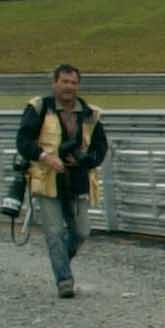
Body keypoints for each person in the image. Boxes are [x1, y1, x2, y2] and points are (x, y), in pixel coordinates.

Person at [15, 64, 108, 297]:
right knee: (54, 231)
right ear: (54, 83)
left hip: (78, 180)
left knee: (82, 231)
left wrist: (85, 161)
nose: (69, 87)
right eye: (64, 82)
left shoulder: (91, 113)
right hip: (47, 180)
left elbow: (100, 148)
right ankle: (64, 281)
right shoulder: (39, 108)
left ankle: (60, 262)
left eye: (73, 83)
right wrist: (45, 157)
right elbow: (23, 141)